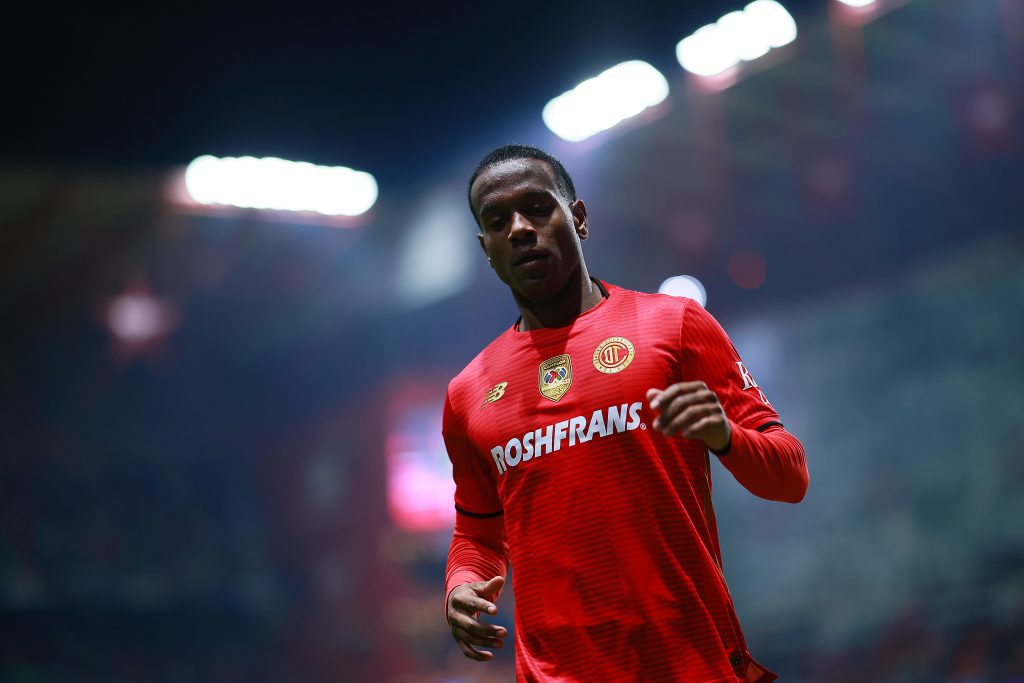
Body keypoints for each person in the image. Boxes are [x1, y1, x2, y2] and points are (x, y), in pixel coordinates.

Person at [443, 143, 809, 683]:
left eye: (538, 208)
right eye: (498, 222)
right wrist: (461, 585)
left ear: (580, 219)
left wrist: (725, 435)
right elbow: (476, 533)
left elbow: (790, 476)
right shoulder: (468, 392)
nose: (520, 228)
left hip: (690, 665)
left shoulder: (676, 326)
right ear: (487, 248)